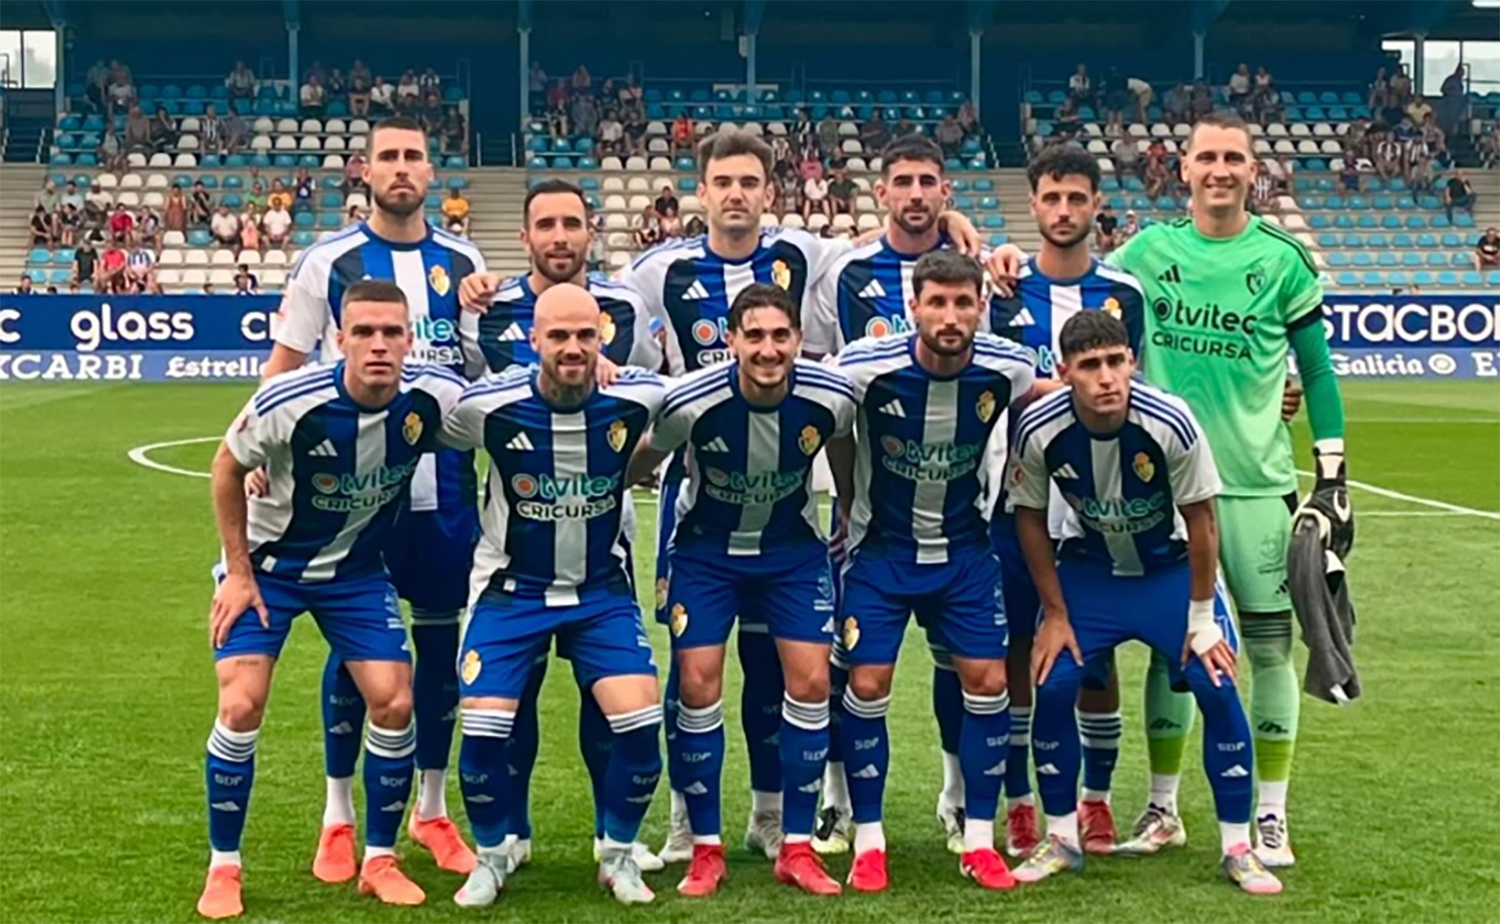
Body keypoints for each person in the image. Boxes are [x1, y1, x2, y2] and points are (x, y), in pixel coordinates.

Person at [458, 134, 984, 867]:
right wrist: (490, 287)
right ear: (700, 190)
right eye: (722, 181)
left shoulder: (806, 255)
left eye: (749, 181)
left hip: (786, 504)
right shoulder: (655, 272)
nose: (735, 192)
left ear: (769, 191)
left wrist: (956, 230)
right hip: (694, 502)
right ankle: (684, 822)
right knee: (691, 671)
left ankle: (772, 818)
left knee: (776, 668)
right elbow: (576, 303)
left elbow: (891, 241)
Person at [258, 115, 490, 883]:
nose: (401, 168)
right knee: (357, 650)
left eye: (413, 157)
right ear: (364, 171)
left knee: (434, 646)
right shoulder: (328, 260)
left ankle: (429, 808)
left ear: (432, 172)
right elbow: (288, 362)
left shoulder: (463, 261)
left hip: (445, 489)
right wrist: (261, 454)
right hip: (354, 493)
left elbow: (477, 369)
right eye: (387, 156)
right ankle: (338, 814)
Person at [192, 282, 465, 919]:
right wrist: (237, 574)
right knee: (240, 704)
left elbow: (511, 408)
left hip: (355, 572)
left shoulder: (434, 397)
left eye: (391, 332)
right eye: (363, 332)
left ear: (408, 339)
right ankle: (223, 866)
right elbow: (225, 469)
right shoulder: (290, 399)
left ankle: (379, 859)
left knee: (395, 700)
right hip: (269, 571)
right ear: (338, 338)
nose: (378, 345)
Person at [1004, 310, 1276, 895]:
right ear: (1065, 372)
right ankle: (1061, 837)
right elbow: (1029, 519)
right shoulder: (1040, 426)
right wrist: (1054, 613)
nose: (1106, 378)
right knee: (1052, 683)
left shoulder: (1171, 421)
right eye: (1090, 366)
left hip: (1168, 573)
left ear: (1132, 361)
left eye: (1115, 362)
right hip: (1090, 573)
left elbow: (1203, 521)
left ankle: (1238, 844)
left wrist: (1202, 618)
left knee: (1217, 682)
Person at [624, 283, 855, 897]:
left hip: (791, 553)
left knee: (809, 683)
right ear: (731, 342)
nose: (769, 348)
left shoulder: (831, 398)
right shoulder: (691, 402)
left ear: (799, 341)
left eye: (781, 336)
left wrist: (852, 518)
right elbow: (647, 459)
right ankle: (704, 849)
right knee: (698, 685)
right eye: (754, 335)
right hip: (707, 555)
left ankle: (798, 847)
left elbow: (844, 447)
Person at [443, 284, 667, 907]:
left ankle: (617, 856)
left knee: (640, 725)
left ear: (603, 338)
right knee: (485, 730)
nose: (573, 348)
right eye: (559, 336)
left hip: (600, 592)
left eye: (584, 336)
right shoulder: (486, 407)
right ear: (533, 340)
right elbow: (418, 426)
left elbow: (686, 424)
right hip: (510, 593)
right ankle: (490, 858)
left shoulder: (638, 398)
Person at [826, 251, 1036, 893]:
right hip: (881, 554)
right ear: (912, 307)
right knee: (868, 681)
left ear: (981, 306)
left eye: (962, 302)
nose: (950, 316)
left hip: (965, 553)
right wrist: (844, 503)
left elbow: (1057, 399)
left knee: (989, 679)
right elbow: (829, 421)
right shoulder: (864, 367)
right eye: (936, 303)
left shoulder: (1010, 366)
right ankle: (868, 839)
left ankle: (977, 837)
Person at [985, 146, 1147, 857]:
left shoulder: (1125, 295)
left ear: (1094, 206)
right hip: (1013, 506)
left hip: (1094, 512)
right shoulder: (1000, 291)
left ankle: (1098, 800)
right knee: (1020, 653)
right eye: (1050, 198)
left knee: (1096, 659)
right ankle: (1021, 801)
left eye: (1076, 199)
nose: (1063, 211)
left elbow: (1135, 394)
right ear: (1034, 203)